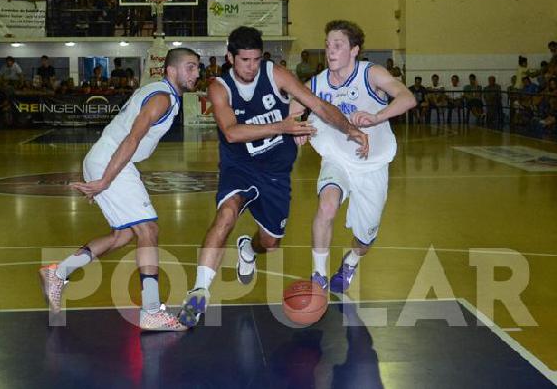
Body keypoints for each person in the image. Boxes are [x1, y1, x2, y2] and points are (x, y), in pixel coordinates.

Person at [176, 26, 369, 328]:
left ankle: (247, 248)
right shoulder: (219, 87)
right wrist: (282, 127)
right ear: (230, 58)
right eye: (244, 61)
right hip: (239, 167)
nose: (251, 67)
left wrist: (349, 128)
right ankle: (199, 290)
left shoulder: (275, 74)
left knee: (270, 242)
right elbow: (231, 132)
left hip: (277, 173)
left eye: (256, 60)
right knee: (226, 215)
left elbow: (316, 103)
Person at [39, 48, 203, 331]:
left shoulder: (161, 93)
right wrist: (105, 181)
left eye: (197, 68)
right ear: (171, 70)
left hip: (106, 158)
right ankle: (151, 310)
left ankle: (58, 272)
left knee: (123, 235)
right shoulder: (162, 99)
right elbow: (132, 138)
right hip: (112, 160)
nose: (197, 73)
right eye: (190, 67)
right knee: (148, 230)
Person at [290, 20, 416, 292]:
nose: (330, 51)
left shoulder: (371, 74)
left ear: (354, 50)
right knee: (327, 205)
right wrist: (296, 127)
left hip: (372, 164)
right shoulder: (318, 82)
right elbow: (293, 106)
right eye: (327, 46)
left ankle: (352, 261)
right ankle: (318, 276)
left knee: (365, 240)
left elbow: (407, 98)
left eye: (338, 45)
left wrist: (376, 117)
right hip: (336, 159)